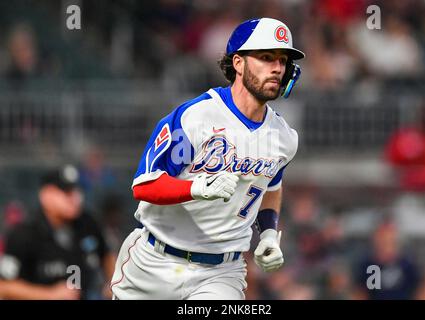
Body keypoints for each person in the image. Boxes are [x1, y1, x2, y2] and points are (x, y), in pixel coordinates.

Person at [110, 17, 304, 300]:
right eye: (266, 57)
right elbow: (144, 186)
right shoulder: (196, 117)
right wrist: (196, 189)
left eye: (283, 60)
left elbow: (270, 187)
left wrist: (269, 235)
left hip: (220, 273)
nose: (277, 68)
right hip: (154, 261)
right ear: (238, 63)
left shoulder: (284, 137)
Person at [0, 165, 116, 300]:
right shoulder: (24, 234)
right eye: (67, 192)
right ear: (45, 195)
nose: (76, 198)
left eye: (77, 191)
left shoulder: (88, 223)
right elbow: (4, 286)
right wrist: (49, 295)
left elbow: (107, 255)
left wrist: (114, 284)